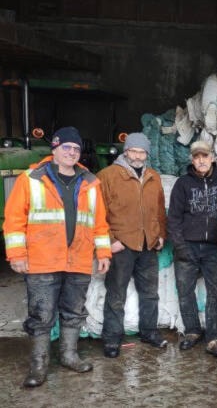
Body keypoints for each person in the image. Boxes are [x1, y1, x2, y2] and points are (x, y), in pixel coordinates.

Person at [3, 126, 111, 387]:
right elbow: (14, 219)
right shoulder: (31, 179)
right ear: (55, 149)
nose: (72, 153)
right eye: (67, 148)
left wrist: (104, 252)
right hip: (43, 259)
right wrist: (16, 253)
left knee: (74, 310)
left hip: (79, 258)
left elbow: (99, 223)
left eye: (75, 149)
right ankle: (39, 364)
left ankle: (68, 355)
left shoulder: (90, 182)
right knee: (41, 314)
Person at [97, 132, 167, 358]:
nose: (137, 156)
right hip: (122, 244)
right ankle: (112, 338)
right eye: (133, 151)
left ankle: (149, 331)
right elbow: (96, 214)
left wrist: (160, 235)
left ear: (147, 153)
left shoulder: (154, 177)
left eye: (142, 152)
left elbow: (159, 211)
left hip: (148, 244)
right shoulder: (107, 176)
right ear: (125, 151)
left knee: (150, 293)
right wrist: (109, 241)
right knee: (116, 293)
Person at [167, 140, 217, 357]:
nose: (201, 160)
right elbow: (174, 218)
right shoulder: (182, 184)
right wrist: (180, 246)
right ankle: (192, 331)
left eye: (204, 156)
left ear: (212, 157)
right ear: (192, 160)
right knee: (185, 289)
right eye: (197, 157)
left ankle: (214, 338)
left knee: (216, 292)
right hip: (188, 245)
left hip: (215, 247)